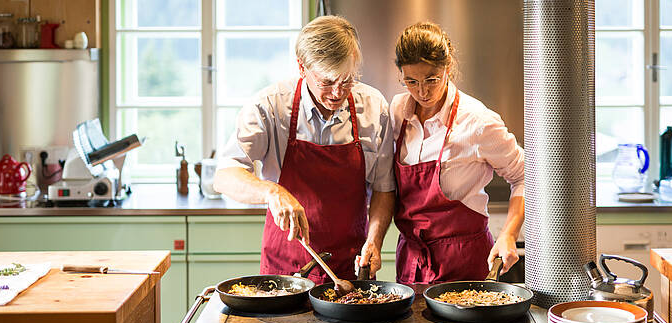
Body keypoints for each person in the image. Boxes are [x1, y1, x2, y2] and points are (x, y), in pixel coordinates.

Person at [214, 15, 395, 283]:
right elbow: (225, 175)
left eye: (347, 80)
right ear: (302, 67)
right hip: (285, 272)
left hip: (351, 268)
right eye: (327, 82)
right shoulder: (270, 106)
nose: (337, 92)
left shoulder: (373, 107)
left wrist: (375, 241)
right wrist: (272, 192)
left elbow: (383, 188)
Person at [390, 21, 525, 284]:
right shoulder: (397, 111)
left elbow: (525, 176)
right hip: (411, 261)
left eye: (432, 79)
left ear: (448, 68)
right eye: (411, 81)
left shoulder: (477, 122)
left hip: (465, 263)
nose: (422, 91)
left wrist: (509, 233)